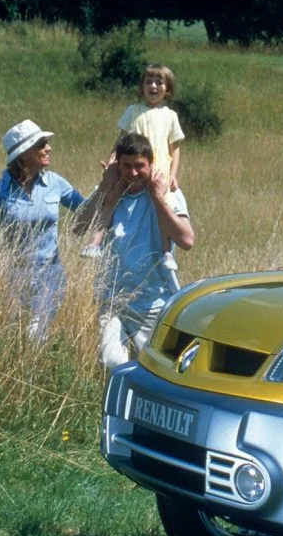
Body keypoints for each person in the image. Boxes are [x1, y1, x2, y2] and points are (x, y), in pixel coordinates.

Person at [75, 131, 195, 369]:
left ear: (151, 164)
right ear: (117, 165)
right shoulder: (111, 190)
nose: (132, 173)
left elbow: (186, 240)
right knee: (112, 361)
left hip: (152, 302)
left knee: (153, 369)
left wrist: (158, 198)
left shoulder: (168, 193)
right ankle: (118, 406)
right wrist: (103, 186)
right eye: (126, 166)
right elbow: (79, 227)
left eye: (140, 166)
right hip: (113, 299)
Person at [84, 64, 186, 258]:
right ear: (142, 87)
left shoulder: (170, 116)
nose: (153, 86)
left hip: (158, 170)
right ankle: (94, 243)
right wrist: (112, 160)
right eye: (148, 82)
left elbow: (175, 149)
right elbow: (120, 139)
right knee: (110, 200)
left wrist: (173, 175)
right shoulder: (133, 110)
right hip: (130, 168)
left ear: (168, 89)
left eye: (159, 82)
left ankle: (166, 252)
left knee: (163, 206)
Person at [0, 119, 86, 338]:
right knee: (14, 335)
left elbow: (85, 210)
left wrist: (107, 184)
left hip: (50, 275)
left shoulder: (54, 182)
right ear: (24, 153)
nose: (48, 148)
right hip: (13, 277)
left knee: (36, 334)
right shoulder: (1, 191)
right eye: (41, 144)